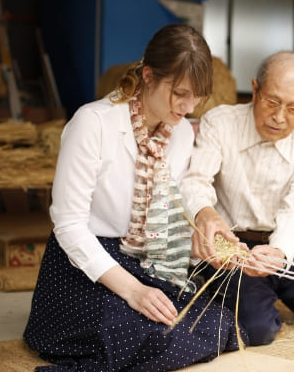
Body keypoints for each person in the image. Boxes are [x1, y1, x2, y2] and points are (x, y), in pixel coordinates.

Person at [24, 24, 244, 371]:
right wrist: (133, 291)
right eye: (180, 93)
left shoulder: (182, 132)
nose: (188, 107)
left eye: (197, 96)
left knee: (217, 321)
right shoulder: (93, 122)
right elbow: (68, 225)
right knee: (141, 330)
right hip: (86, 263)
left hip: (141, 258)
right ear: (148, 76)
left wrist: (204, 238)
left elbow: (168, 211)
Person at [180, 51, 294, 346]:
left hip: (289, 246)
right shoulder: (220, 123)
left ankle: (285, 292)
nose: (279, 117)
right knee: (258, 329)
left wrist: (280, 252)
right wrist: (205, 213)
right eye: (272, 102)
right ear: (255, 90)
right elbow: (196, 180)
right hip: (235, 248)